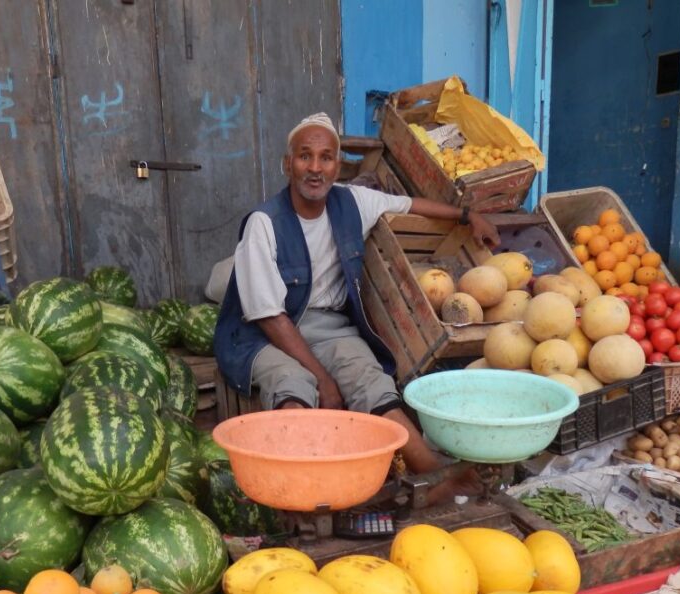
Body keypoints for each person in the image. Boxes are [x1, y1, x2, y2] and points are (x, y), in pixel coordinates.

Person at [213, 113, 501, 504]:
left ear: (336, 166)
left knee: (369, 380)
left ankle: (434, 476)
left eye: (326, 158)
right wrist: (323, 380)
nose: (315, 168)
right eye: (305, 157)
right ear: (287, 164)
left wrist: (469, 216)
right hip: (263, 333)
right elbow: (270, 317)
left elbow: (412, 204)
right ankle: (297, 493)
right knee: (293, 384)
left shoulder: (353, 203)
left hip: (328, 326)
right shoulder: (264, 223)